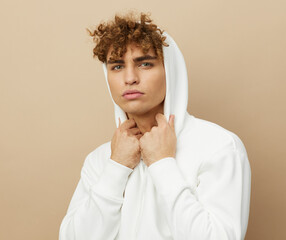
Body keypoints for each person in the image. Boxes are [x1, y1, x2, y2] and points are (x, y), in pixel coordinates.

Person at [59, 12, 251, 240]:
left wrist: (162, 164)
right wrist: (116, 167)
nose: (130, 78)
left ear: (170, 71)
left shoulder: (219, 147)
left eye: (145, 64)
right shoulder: (101, 159)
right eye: (117, 67)